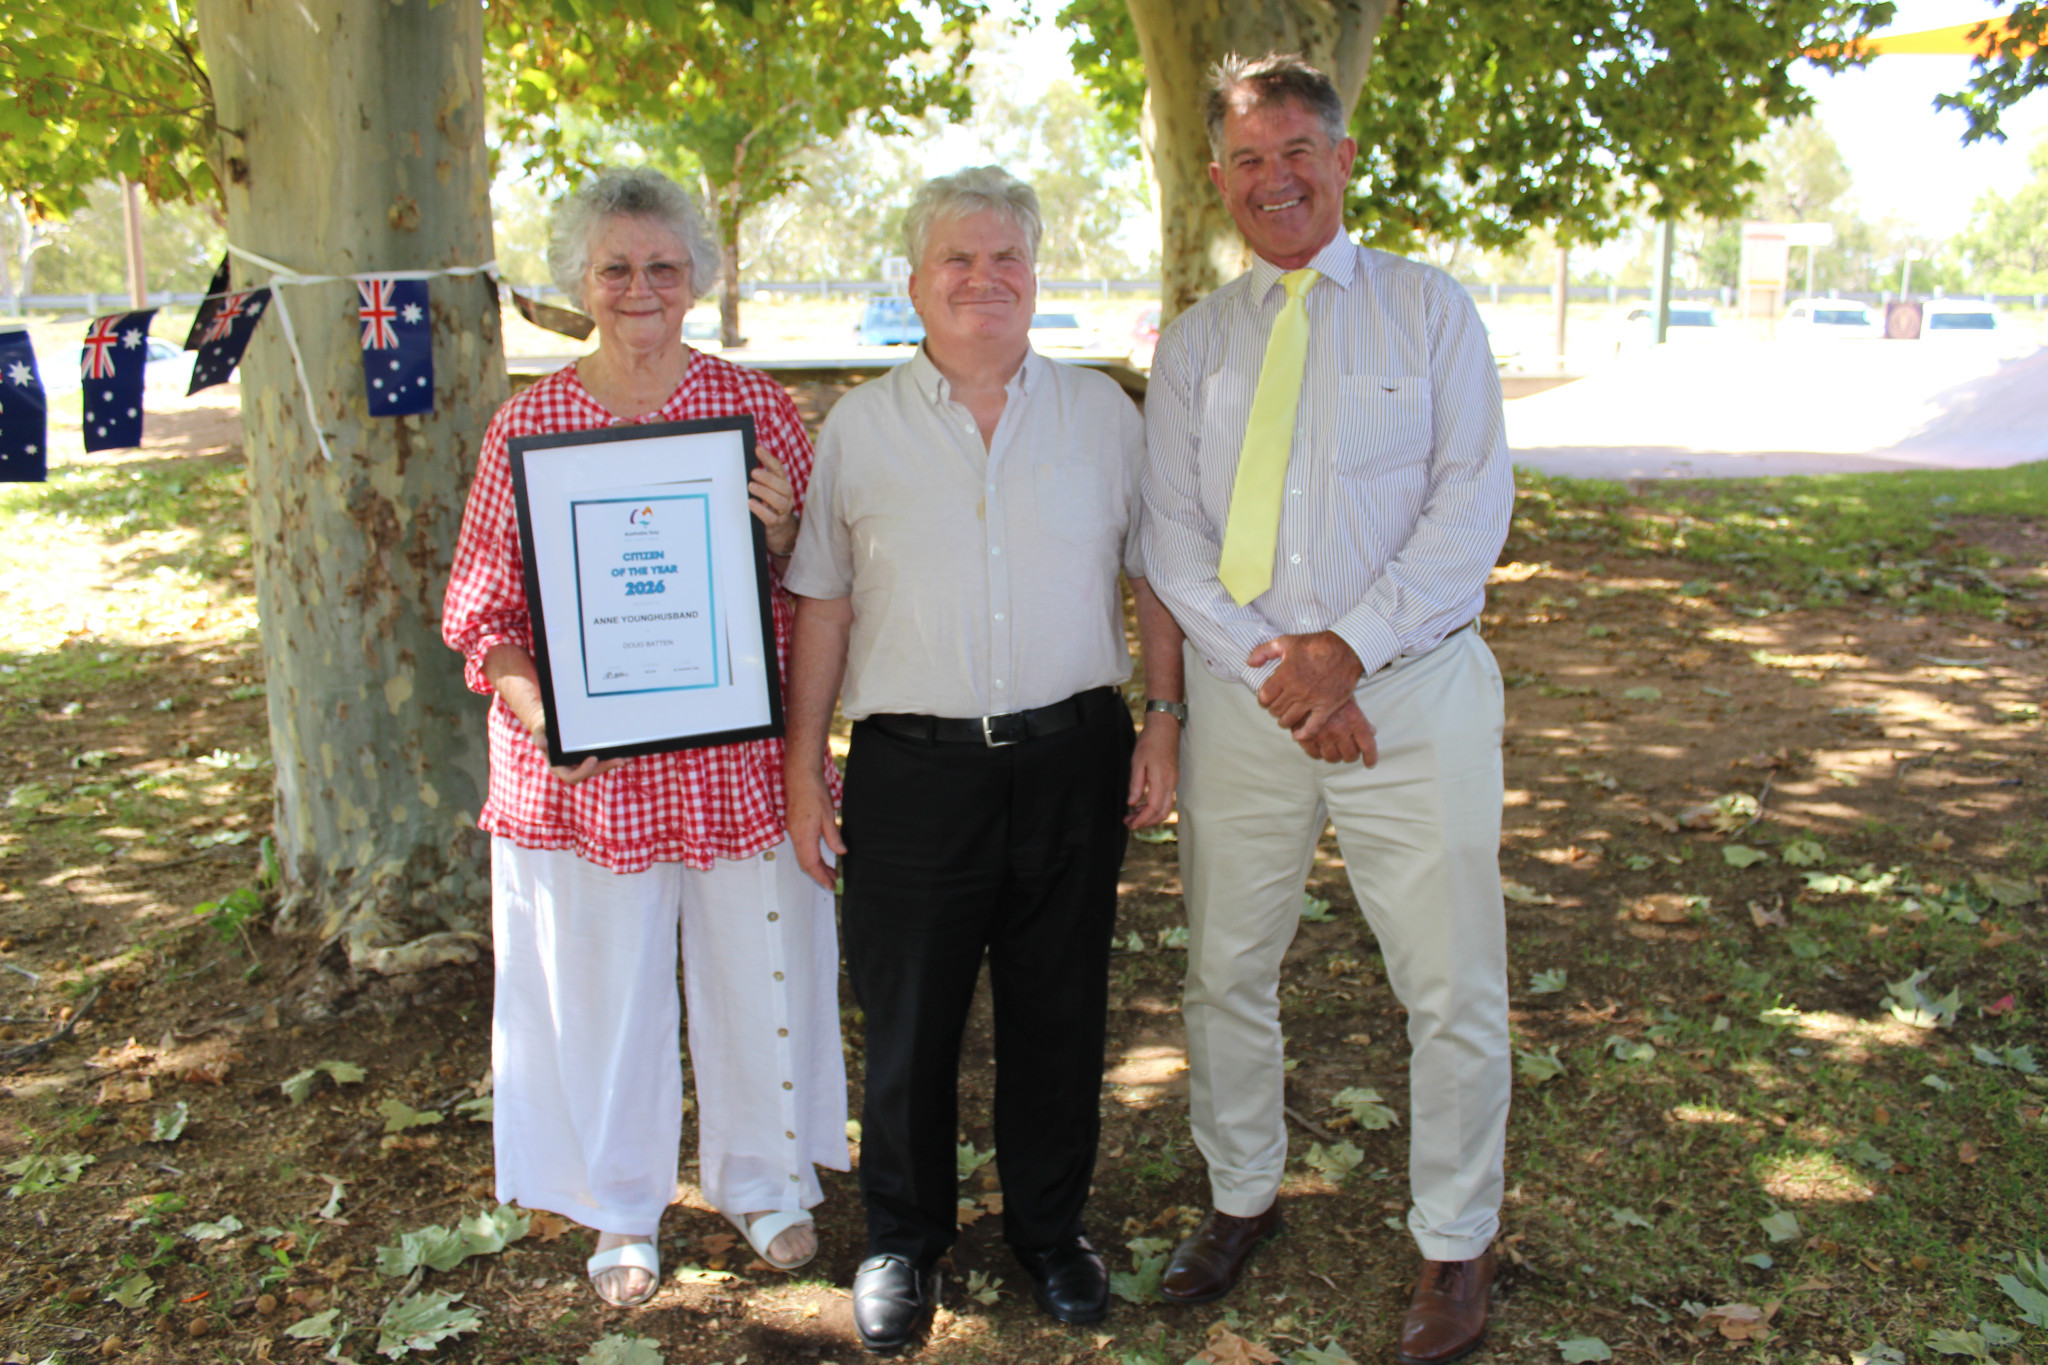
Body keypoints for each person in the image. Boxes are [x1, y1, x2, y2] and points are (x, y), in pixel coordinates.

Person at [1141, 53, 1515, 1365]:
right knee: (1226, 969)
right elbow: (1174, 541)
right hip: (1257, 711)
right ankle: (1243, 1194)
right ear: (1219, 182)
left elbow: (1470, 510)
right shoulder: (1195, 344)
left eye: (1296, 150)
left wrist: (1345, 655)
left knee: (1451, 982)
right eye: (1247, 160)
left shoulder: (1429, 313)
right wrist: (1283, 678)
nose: (1274, 179)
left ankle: (1454, 1243)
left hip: (1412, 697)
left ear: (1344, 159)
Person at [781, 165, 1184, 1355]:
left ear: (1034, 274)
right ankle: (901, 1240)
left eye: (1005, 255)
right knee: (907, 1022)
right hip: (914, 773)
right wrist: (809, 769)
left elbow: (1152, 573)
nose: (982, 278)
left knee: (1058, 1012)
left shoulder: (1105, 416)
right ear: (913, 284)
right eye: (956, 259)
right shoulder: (858, 429)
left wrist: (1161, 716)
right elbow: (820, 604)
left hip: (1074, 759)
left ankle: (1050, 1234)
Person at [442, 167, 847, 1309]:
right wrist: (544, 720)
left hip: (735, 758)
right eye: (616, 268)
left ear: (695, 279)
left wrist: (783, 534)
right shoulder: (528, 424)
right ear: (582, 281)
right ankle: (622, 1210)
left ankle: (764, 1183)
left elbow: (821, 587)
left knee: (753, 965)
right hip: (585, 771)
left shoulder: (757, 410)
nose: (639, 289)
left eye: (662, 267)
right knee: (605, 989)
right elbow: (483, 614)